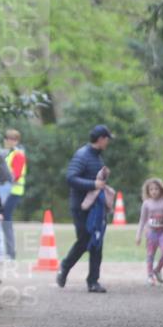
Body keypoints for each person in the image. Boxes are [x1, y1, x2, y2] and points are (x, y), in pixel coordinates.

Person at [57, 125, 112, 293]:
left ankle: (93, 281)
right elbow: (71, 178)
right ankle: (64, 267)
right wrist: (93, 184)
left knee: (96, 241)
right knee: (83, 241)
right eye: (107, 139)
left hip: (95, 207)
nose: (108, 142)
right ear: (101, 138)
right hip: (81, 207)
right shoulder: (83, 155)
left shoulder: (97, 157)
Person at [135, 177, 163, 286]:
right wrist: (138, 235)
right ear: (148, 191)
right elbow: (142, 220)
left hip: (162, 233)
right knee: (150, 255)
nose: (154, 191)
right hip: (151, 233)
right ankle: (150, 276)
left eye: (156, 189)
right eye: (151, 189)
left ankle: (157, 270)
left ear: (161, 190)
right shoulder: (146, 203)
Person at [0, 129, 27, 260]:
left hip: (13, 191)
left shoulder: (18, 154)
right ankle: (7, 251)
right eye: (7, 138)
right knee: (3, 219)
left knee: (6, 219)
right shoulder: (8, 153)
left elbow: (16, 175)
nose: (8, 141)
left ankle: (10, 252)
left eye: (11, 139)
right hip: (7, 190)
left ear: (16, 141)